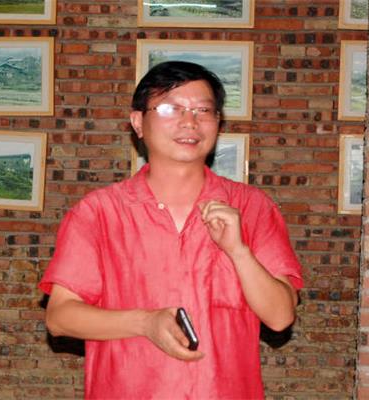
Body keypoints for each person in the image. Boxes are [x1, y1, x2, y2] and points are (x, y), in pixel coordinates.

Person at [39, 61, 303, 399]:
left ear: (217, 123)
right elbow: (59, 317)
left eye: (203, 110)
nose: (189, 122)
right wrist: (144, 323)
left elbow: (280, 317)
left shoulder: (252, 208)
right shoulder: (99, 213)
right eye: (170, 109)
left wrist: (239, 252)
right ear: (138, 122)